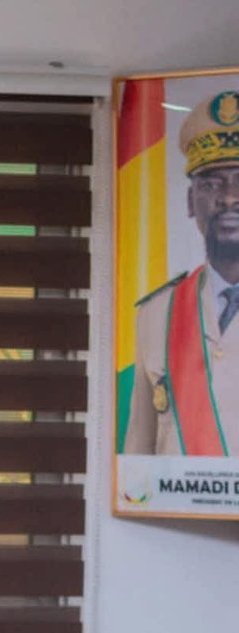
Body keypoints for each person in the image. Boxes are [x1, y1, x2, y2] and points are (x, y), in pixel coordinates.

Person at [124, 89, 239, 457]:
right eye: (211, 184)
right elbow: (140, 448)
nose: (229, 197)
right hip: (179, 498)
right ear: (191, 202)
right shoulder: (157, 313)